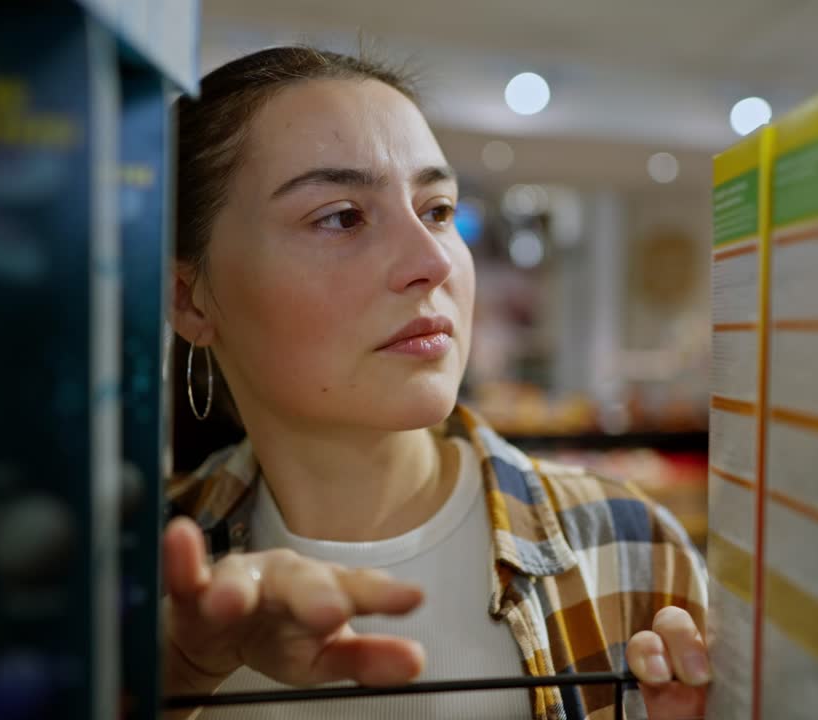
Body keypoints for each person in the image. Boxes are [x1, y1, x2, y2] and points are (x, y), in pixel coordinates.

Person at [162, 46, 710, 720]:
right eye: (341, 216)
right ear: (188, 299)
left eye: (438, 210)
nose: (433, 261)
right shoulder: (126, 575)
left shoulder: (625, 545)